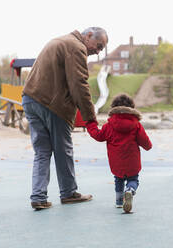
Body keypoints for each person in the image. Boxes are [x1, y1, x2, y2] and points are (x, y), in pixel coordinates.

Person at [22, 27, 108, 210]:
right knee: (63, 150)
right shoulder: (76, 47)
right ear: (89, 35)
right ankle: (68, 192)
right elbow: (79, 85)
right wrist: (90, 119)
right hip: (51, 104)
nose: (98, 51)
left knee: (42, 152)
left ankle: (38, 197)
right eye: (99, 46)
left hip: (30, 99)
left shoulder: (60, 41)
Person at [86, 94, 152, 213]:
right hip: (132, 161)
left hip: (116, 161)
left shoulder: (109, 125)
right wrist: (148, 146)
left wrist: (91, 124)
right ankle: (130, 190)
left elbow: (98, 135)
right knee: (133, 179)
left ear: (113, 108)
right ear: (132, 108)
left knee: (118, 179)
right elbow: (145, 142)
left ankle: (119, 202)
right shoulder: (136, 125)